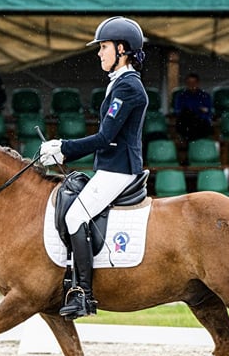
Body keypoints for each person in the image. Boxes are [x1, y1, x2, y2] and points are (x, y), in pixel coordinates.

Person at [39, 16, 149, 319]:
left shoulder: (129, 88)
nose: (99, 53)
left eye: (104, 47)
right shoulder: (119, 85)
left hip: (120, 170)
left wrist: (64, 149)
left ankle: (83, 294)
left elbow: (105, 137)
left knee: (75, 216)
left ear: (122, 49)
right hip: (111, 167)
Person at [173, 72, 214, 144]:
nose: (191, 85)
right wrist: (198, 109)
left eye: (194, 82)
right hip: (186, 124)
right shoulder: (181, 96)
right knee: (186, 116)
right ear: (186, 83)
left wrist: (193, 111)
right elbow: (178, 111)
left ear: (198, 83)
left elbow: (208, 111)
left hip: (201, 123)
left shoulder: (205, 96)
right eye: (189, 82)